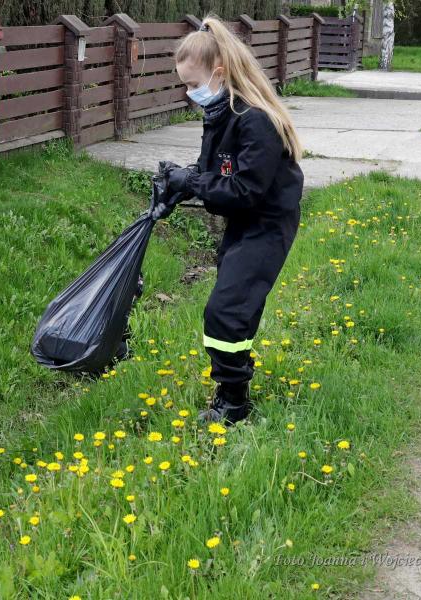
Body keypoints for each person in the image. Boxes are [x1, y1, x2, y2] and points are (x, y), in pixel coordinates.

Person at [165, 16, 304, 424]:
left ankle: (233, 403)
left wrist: (193, 182)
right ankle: (232, 389)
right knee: (235, 308)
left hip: (267, 224)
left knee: (225, 311)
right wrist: (179, 182)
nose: (190, 93)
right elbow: (215, 171)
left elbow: (244, 189)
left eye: (194, 84)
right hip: (243, 222)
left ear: (220, 73)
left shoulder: (254, 120)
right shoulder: (221, 114)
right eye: (185, 85)